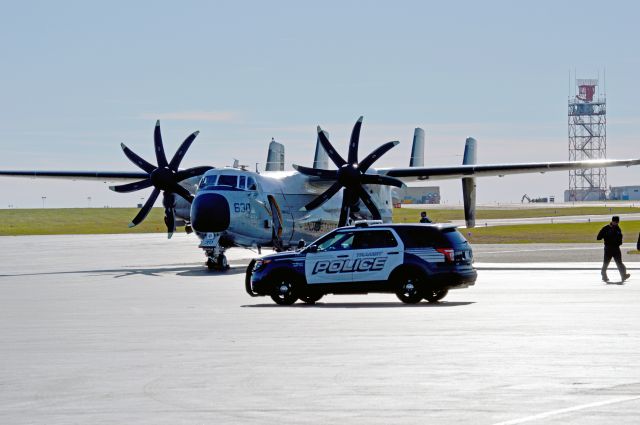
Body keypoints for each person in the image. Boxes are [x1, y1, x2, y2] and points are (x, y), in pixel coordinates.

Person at [597, 216, 631, 282]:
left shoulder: (618, 229)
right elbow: (598, 237)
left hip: (616, 248)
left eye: (617, 222)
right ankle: (604, 275)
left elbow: (620, 238)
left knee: (619, 263)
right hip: (608, 248)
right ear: (612, 221)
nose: (617, 223)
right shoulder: (606, 228)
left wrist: (619, 242)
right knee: (606, 263)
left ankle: (623, 275)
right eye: (615, 222)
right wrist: (605, 235)